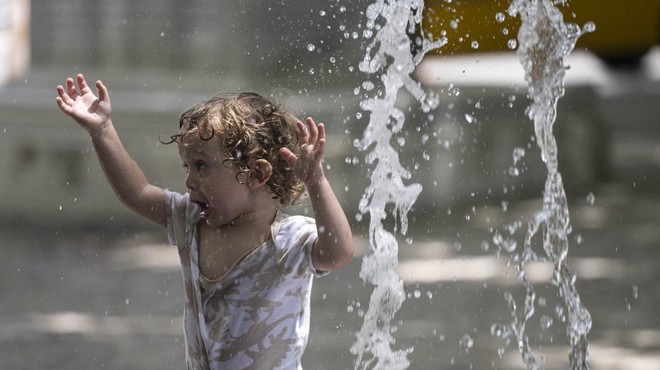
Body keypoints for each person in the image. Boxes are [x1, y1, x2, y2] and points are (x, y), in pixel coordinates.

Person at [55, 74, 354, 369]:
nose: (189, 180)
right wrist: (103, 130)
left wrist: (315, 181)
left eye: (201, 166)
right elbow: (136, 193)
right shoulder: (191, 221)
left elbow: (339, 253)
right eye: (188, 166)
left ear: (256, 174)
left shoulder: (288, 240)